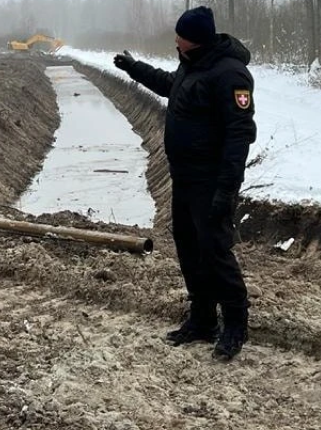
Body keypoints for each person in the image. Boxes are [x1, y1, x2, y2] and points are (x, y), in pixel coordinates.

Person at [114, 6, 256, 361]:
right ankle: (203, 318)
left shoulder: (230, 74)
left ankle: (236, 324)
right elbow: (168, 85)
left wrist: (227, 189)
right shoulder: (191, 64)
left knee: (215, 251)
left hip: (211, 182)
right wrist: (133, 68)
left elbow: (239, 134)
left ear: (194, 39)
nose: (175, 40)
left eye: (180, 36)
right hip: (184, 178)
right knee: (189, 248)